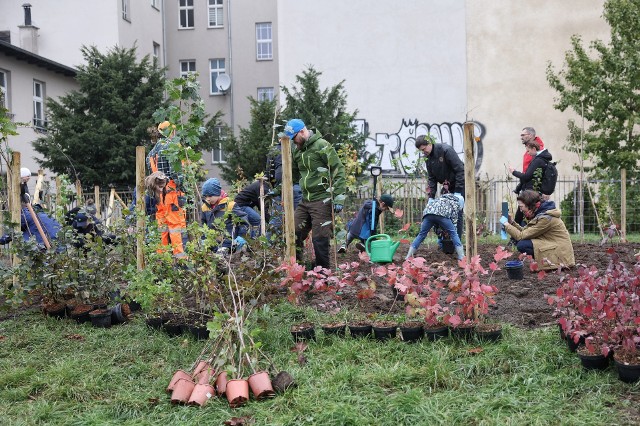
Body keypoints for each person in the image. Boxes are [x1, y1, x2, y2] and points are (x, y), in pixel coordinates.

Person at [286, 118, 346, 269]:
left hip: (321, 199)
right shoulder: (297, 150)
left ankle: (323, 273)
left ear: (302, 131)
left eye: (295, 138)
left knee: (320, 238)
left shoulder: (322, 145)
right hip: (305, 199)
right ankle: (298, 267)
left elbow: (338, 170)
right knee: (294, 231)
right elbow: (292, 172)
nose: (294, 142)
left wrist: (338, 197)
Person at [500, 190, 575, 270]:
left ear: (529, 205)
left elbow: (520, 236)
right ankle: (540, 262)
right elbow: (525, 231)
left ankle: (548, 264)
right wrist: (511, 222)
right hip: (553, 245)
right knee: (523, 242)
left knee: (522, 245)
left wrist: (506, 223)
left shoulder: (545, 218)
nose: (521, 210)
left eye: (521, 207)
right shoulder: (541, 213)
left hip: (561, 255)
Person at [146, 121, 187, 258]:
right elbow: (177, 176)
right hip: (172, 194)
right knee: (176, 227)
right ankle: (181, 260)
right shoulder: (172, 148)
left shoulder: (151, 154)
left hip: (159, 196)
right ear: (170, 132)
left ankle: (162, 259)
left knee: (162, 228)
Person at [415, 134, 465, 237]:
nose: (423, 152)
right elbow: (432, 178)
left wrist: (458, 192)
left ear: (429, 144)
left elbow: (460, 169)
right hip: (447, 186)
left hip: (458, 184)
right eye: (421, 151)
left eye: (424, 149)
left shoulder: (446, 150)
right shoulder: (428, 158)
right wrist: (431, 197)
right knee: (441, 212)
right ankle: (445, 240)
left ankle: (457, 241)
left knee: (457, 213)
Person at [406, 193, 465, 260]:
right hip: (442, 214)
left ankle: (408, 257)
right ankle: (461, 257)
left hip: (428, 214)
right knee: (453, 234)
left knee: (421, 235)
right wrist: (451, 232)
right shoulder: (455, 202)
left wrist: (439, 232)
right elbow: (454, 221)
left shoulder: (440, 199)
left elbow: (436, 224)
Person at [265, 140, 303, 240]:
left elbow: (269, 173)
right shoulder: (296, 147)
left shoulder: (295, 147)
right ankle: (293, 244)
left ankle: (272, 245)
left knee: (280, 219)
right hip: (286, 187)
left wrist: (272, 184)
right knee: (296, 218)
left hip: (288, 186)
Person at [200, 178, 248, 254]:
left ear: (217, 193)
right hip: (211, 244)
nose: (208, 199)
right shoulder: (204, 207)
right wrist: (203, 239)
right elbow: (203, 225)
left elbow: (243, 221)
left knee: (221, 257)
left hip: (228, 243)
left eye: (210, 196)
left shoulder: (230, 205)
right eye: (205, 196)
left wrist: (241, 236)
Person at [513, 127, 546, 225]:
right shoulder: (530, 149)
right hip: (527, 186)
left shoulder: (537, 151)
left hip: (532, 187)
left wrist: (514, 172)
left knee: (525, 212)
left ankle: (517, 237)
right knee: (523, 212)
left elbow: (530, 173)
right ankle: (518, 236)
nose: (521, 137)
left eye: (523, 135)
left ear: (531, 136)